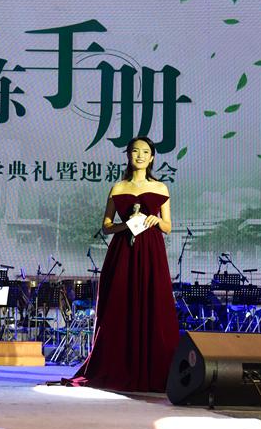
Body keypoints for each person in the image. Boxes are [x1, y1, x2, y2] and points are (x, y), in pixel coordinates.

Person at [63, 136, 180, 392]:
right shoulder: (118, 188)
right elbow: (106, 226)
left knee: (153, 302)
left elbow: (168, 227)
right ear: (128, 155)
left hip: (151, 251)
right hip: (123, 250)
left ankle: (153, 368)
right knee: (119, 304)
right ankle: (116, 365)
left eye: (145, 152)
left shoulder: (160, 187)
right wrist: (124, 225)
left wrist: (155, 221)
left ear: (152, 158)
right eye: (135, 151)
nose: (140, 155)